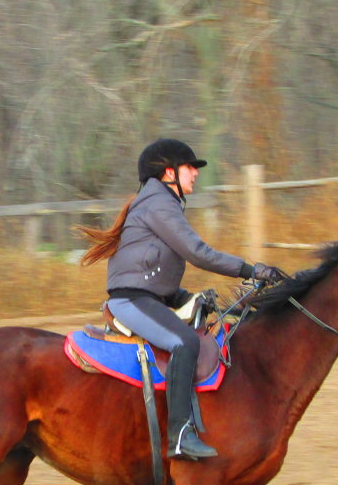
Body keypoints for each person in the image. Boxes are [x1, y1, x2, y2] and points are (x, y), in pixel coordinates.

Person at [78, 138, 282, 460]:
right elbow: (198, 253)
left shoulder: (158, 203)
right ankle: (178, 436)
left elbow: (154, 268)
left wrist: (188, 297)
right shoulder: (158, 204)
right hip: (132, 301)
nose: (195, 174)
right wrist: (249, 269)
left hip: (150, 297)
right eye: (190, 168)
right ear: (168, 172)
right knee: (185, 342)